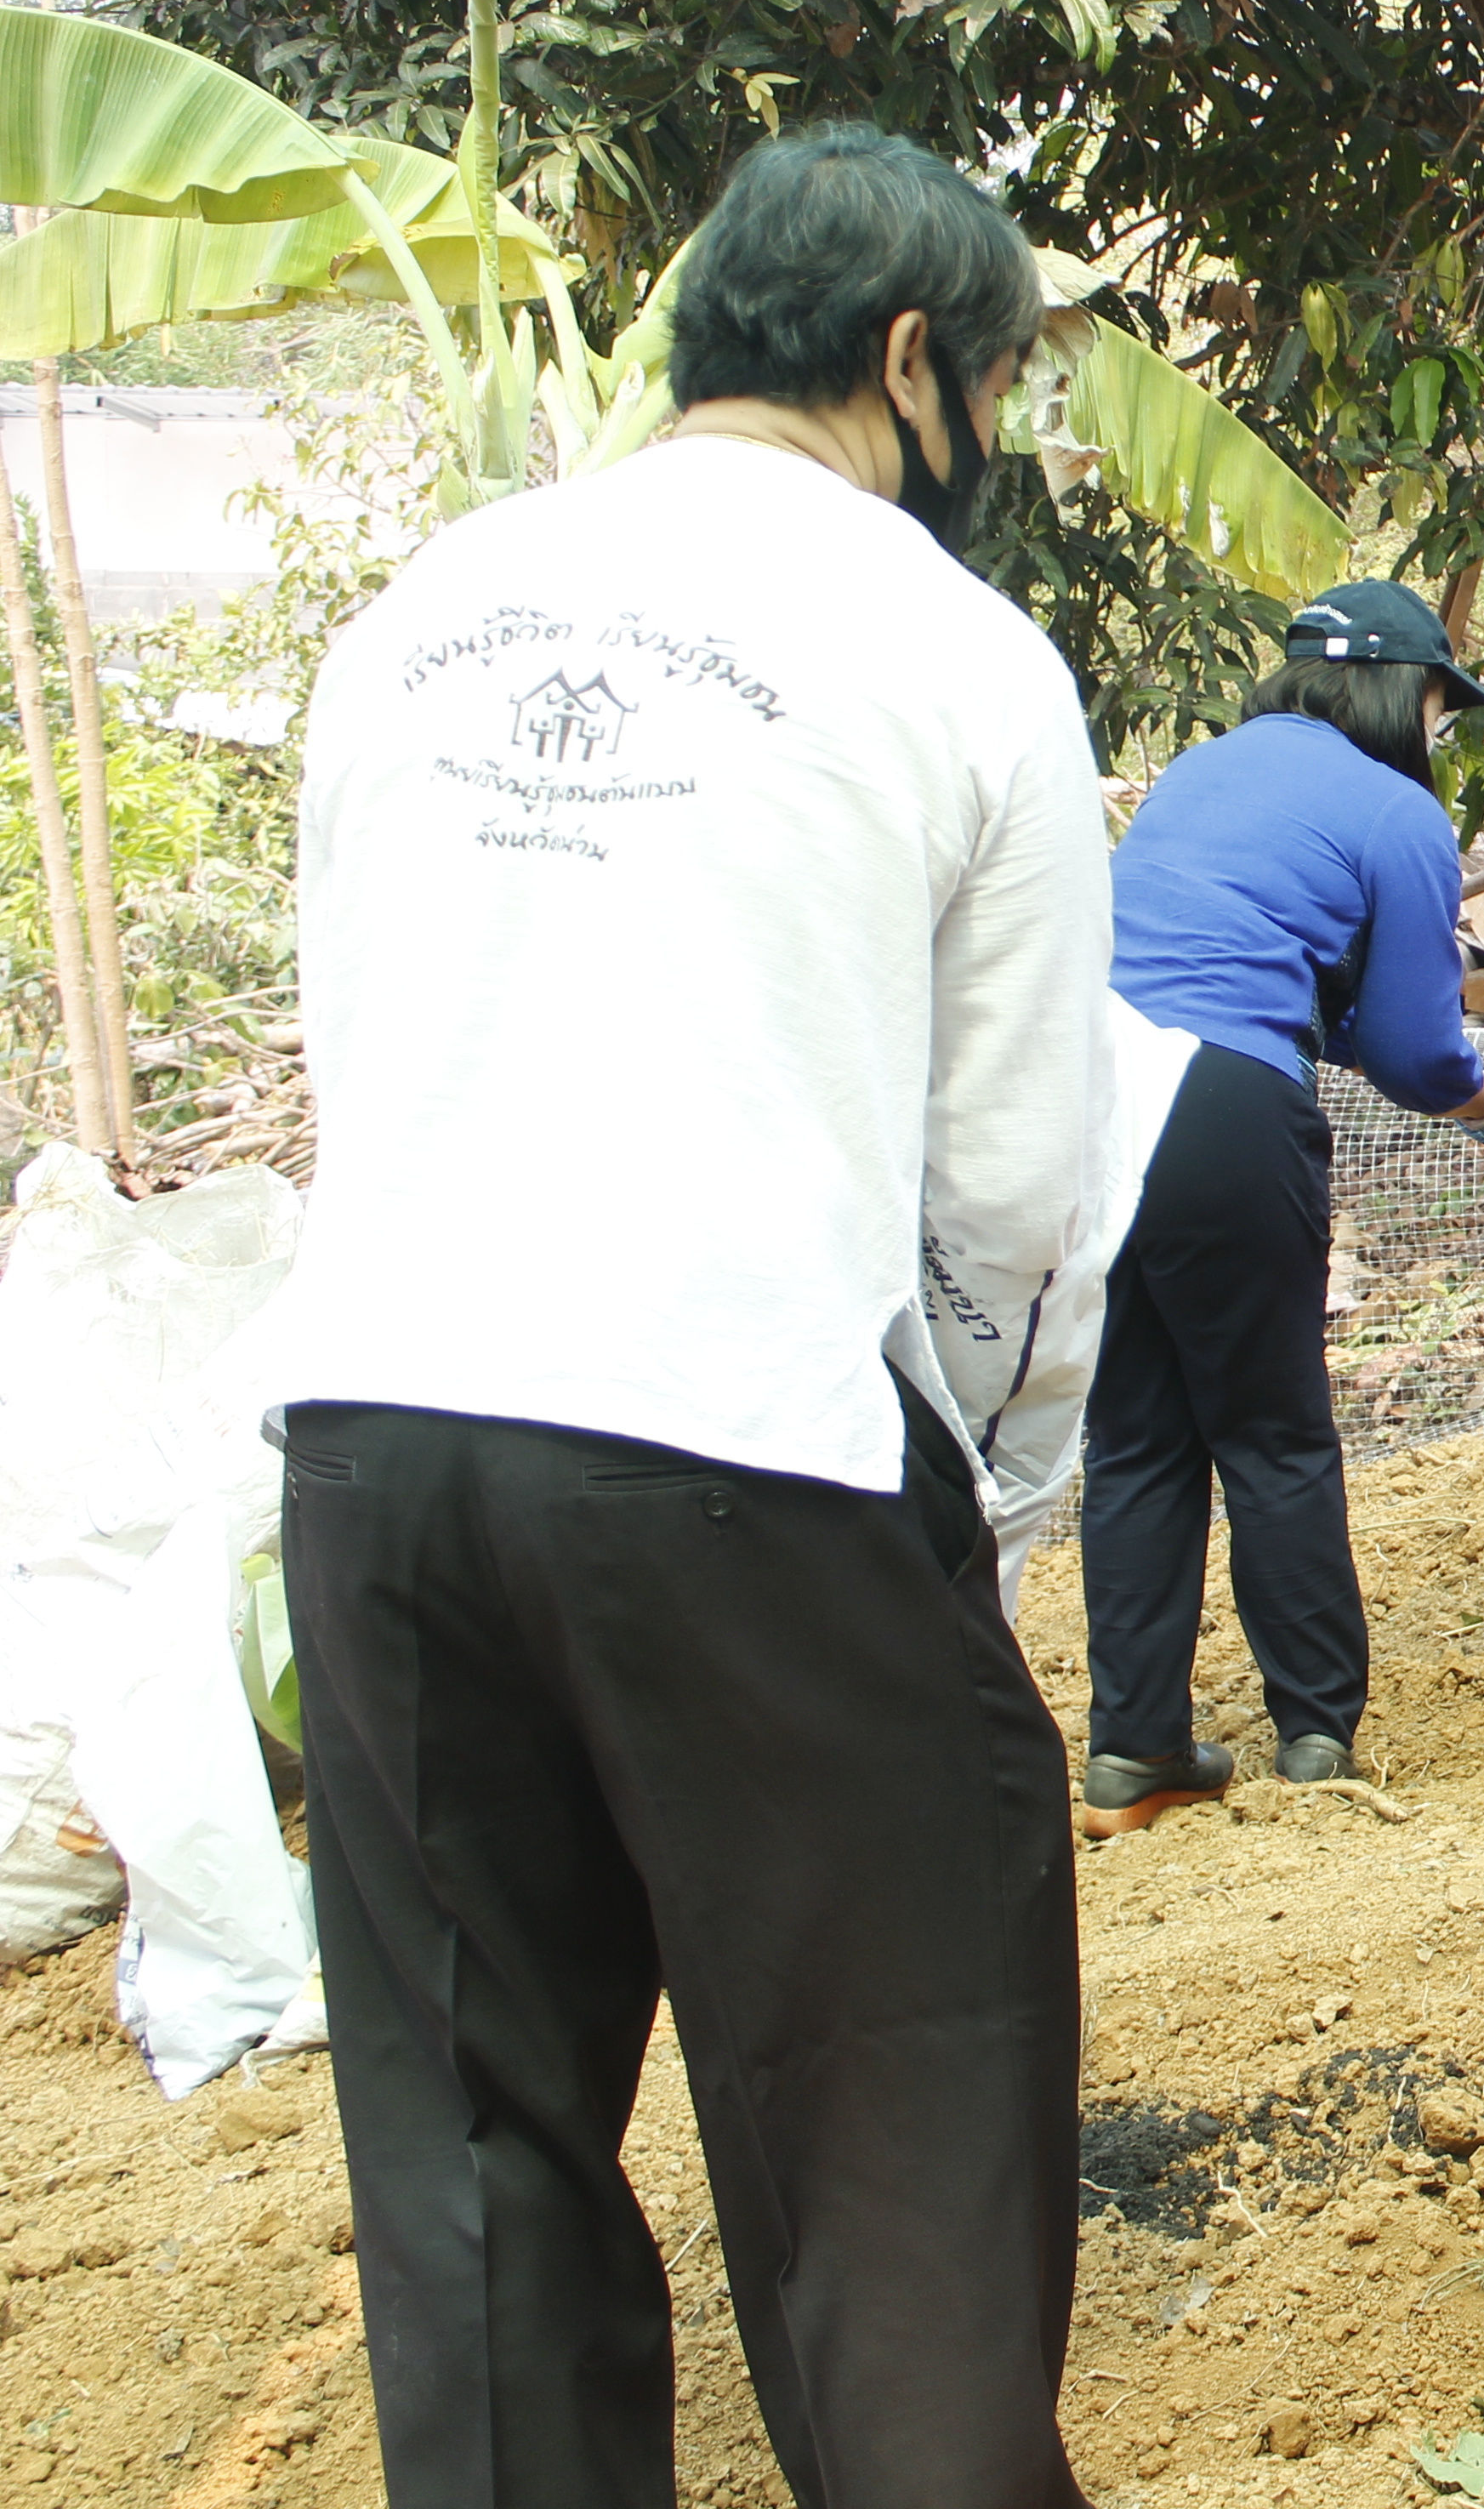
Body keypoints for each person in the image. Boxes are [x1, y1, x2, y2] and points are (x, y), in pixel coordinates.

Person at [253, 124, 1104, 2506]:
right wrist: (993, 1511)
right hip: (739, 1439)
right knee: (890, 2134)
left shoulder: (429, 600)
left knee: (475, 2158)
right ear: (915, 360)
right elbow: (1020, 1191)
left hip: (379, 1445)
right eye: (1007, 387)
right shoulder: (956, 651)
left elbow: (376, 1032)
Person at [1077, 580, 1484, 1830]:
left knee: (1136, 1434)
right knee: (1272, 1431)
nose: (1439, 731)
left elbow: (1248, 967)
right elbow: (1412, 1047)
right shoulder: (1395, 810)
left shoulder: (1196, 774)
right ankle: (1314, 1737)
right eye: (1442, 706)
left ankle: (1135, 1753)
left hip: (1084, 1101)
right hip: (1226, 1110)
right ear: (1406, 693)